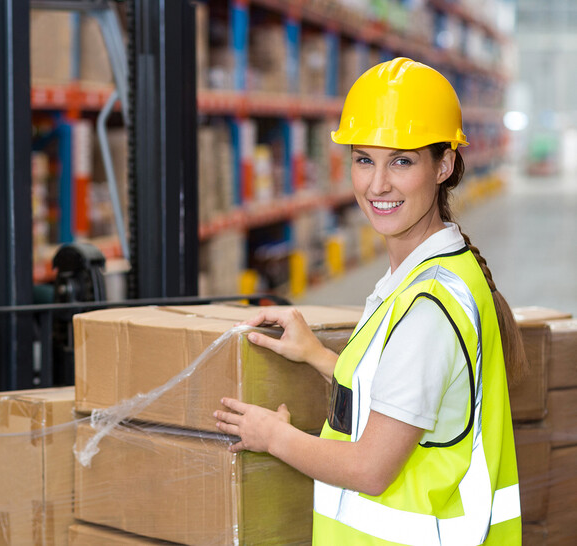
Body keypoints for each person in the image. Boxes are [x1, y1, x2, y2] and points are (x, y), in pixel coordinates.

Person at [214, 58, 524, 544]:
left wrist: (272, 436)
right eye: (364, 160)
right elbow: (407, 393)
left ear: (443, 165)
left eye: (401, 161)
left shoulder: (430, 307)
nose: (377, 184)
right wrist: (317, 356)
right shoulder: (427, 274)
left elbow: (371, 469)